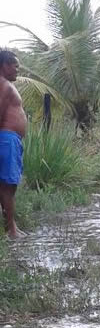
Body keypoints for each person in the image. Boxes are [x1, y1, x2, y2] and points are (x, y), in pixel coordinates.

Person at [0, 50, 25, 238]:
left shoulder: (6, 85)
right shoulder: (4, 85)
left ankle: (9, 226)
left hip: (11, 140)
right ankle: (11, 230)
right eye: (15, 66)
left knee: (9, 184)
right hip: (7, 139)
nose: (18, 69)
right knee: (7, 185)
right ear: (5, 66)